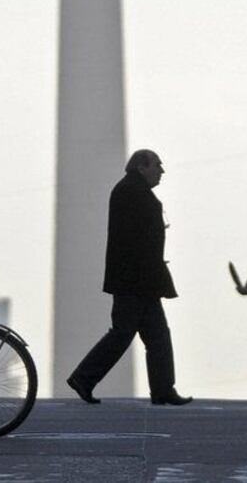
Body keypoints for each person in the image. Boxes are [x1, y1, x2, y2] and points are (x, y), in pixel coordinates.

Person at [66, 149, 192, 406]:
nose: (161, 171)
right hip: (135, 282)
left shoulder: (131, 191)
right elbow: (137, 242)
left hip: (141, 281)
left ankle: (163, 389)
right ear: (141, 167)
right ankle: (84, 378)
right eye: (157, 165)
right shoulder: (131, 193)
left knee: (156, 336)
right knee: (125, 334)